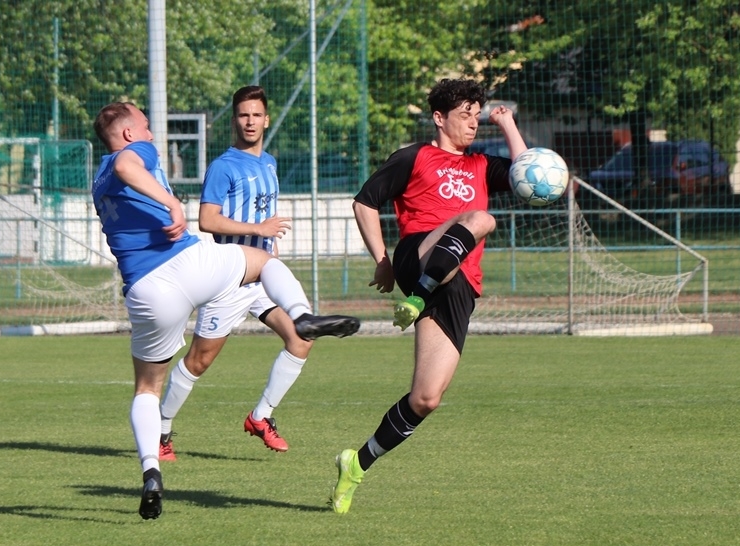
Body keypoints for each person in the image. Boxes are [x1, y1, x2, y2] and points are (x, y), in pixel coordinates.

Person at [91, 101, 360, 520]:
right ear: (127, 134)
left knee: (146, 388)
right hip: (189, 264)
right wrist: (172, 203)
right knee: (264, 262)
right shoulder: (135, 153)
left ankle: (151, 473)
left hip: (146, 290)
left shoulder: (98, 179)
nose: (150, 133)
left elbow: (120, 173)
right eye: (144, 126)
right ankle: (301, 313)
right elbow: (129, 164)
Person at [329, 78, 527, 514]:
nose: (473, 123)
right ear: (439, 118)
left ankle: (356, 464)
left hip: (458, 286)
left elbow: (527, 176)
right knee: (481, 219)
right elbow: (364, 202)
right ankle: (417, 297)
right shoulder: (414, 156)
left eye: (477, 116)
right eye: (465, 115)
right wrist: (382, 259)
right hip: (417, 257)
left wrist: (507, 124)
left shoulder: (481, 164)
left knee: (426, 398)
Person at [156, 86, 309, 459]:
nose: (250, 121)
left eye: (256, 115)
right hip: (229, 277)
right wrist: (259, 230)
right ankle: (160, 430)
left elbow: (262, 216)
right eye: (243, 115)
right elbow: (207, 220)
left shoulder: (269, 162)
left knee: (301, 338)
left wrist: (268, 246)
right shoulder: (224, 166)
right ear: (234, 121)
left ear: (266, 119)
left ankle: (261, 417)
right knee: (199, 361)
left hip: (263, 275)